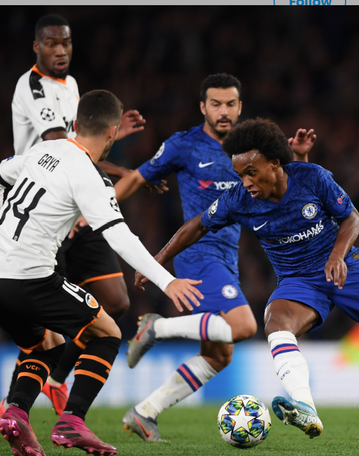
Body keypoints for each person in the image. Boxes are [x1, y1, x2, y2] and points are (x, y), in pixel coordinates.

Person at [134, 118, 359, 440]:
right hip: (299, 281)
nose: (246, 182)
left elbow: (352, 219)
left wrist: (336, 255)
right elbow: (196, 224)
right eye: (240, 174)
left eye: (252, 172)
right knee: (276, 322)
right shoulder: (239, 199)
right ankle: (306, 407)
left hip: (348, 270)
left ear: (275, 164)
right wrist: (157, 260)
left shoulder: (312, 178)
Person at [0, 90, 203, 456]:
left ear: (77, 125)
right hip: (29, 279)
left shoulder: (40, 151)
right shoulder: (90, 175)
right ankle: (72, 422)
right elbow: (119, 237)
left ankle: (16, 411)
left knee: (47, 343)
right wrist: (167, 279)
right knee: (107, 331)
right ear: (113, 134)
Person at [112, 74, 315, 442]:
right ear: (203, 107)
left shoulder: (250, 151)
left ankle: (145, 412)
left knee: (220, 356)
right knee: (245, 327)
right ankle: (156, 328)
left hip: (227, 257)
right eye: (216, 104)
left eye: (231, 104)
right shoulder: (184, 145)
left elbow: (293, 183)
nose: (224, 111)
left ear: (240, 106)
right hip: (197, 254)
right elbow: (138, 178)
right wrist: (94, 212)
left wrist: (299, 155)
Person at [0, 14, 160, 418]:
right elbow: (62, 147)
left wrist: (111, 133)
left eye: (66, 43)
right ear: (36, 47)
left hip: (78, 206)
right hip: (45, 212)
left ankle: (55, 382)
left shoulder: (71, 87)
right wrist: (127, 171)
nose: (60, 50)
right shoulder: (31, 86)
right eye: (51, 43)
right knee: (45, 331)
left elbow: (82, 140)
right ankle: (14, 404)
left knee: (115, 300)